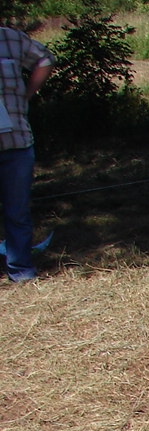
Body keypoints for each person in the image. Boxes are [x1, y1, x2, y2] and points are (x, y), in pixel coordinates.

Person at [0, 26, 54, 284]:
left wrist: (27, 94)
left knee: (17, 211)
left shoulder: (11, 38)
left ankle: (20, 270)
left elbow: (44, 59)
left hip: (16, 142)